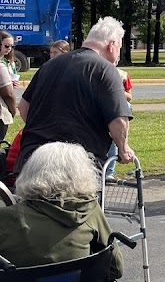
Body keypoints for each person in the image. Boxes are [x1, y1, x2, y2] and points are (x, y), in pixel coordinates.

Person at [16, 17, 134, 174]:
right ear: (112, 45)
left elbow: (23, 108)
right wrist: (123, 148)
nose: (118, 55)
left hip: (33, 158)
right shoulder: (106, 69)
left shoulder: (48, 66)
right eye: (119, 47)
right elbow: (118, 121)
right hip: (78, 165)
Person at [0, 142, 123, 278]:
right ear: (82, 174)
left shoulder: (6, 217)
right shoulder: (90, 211)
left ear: (30, 171)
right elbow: (116, 268)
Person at [0, 33, 17, 143]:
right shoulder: (1, 66)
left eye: (12, 46)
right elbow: (8, 94)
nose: (9, 49)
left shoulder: (8, 63)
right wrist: (13, 111)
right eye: (6, 46)